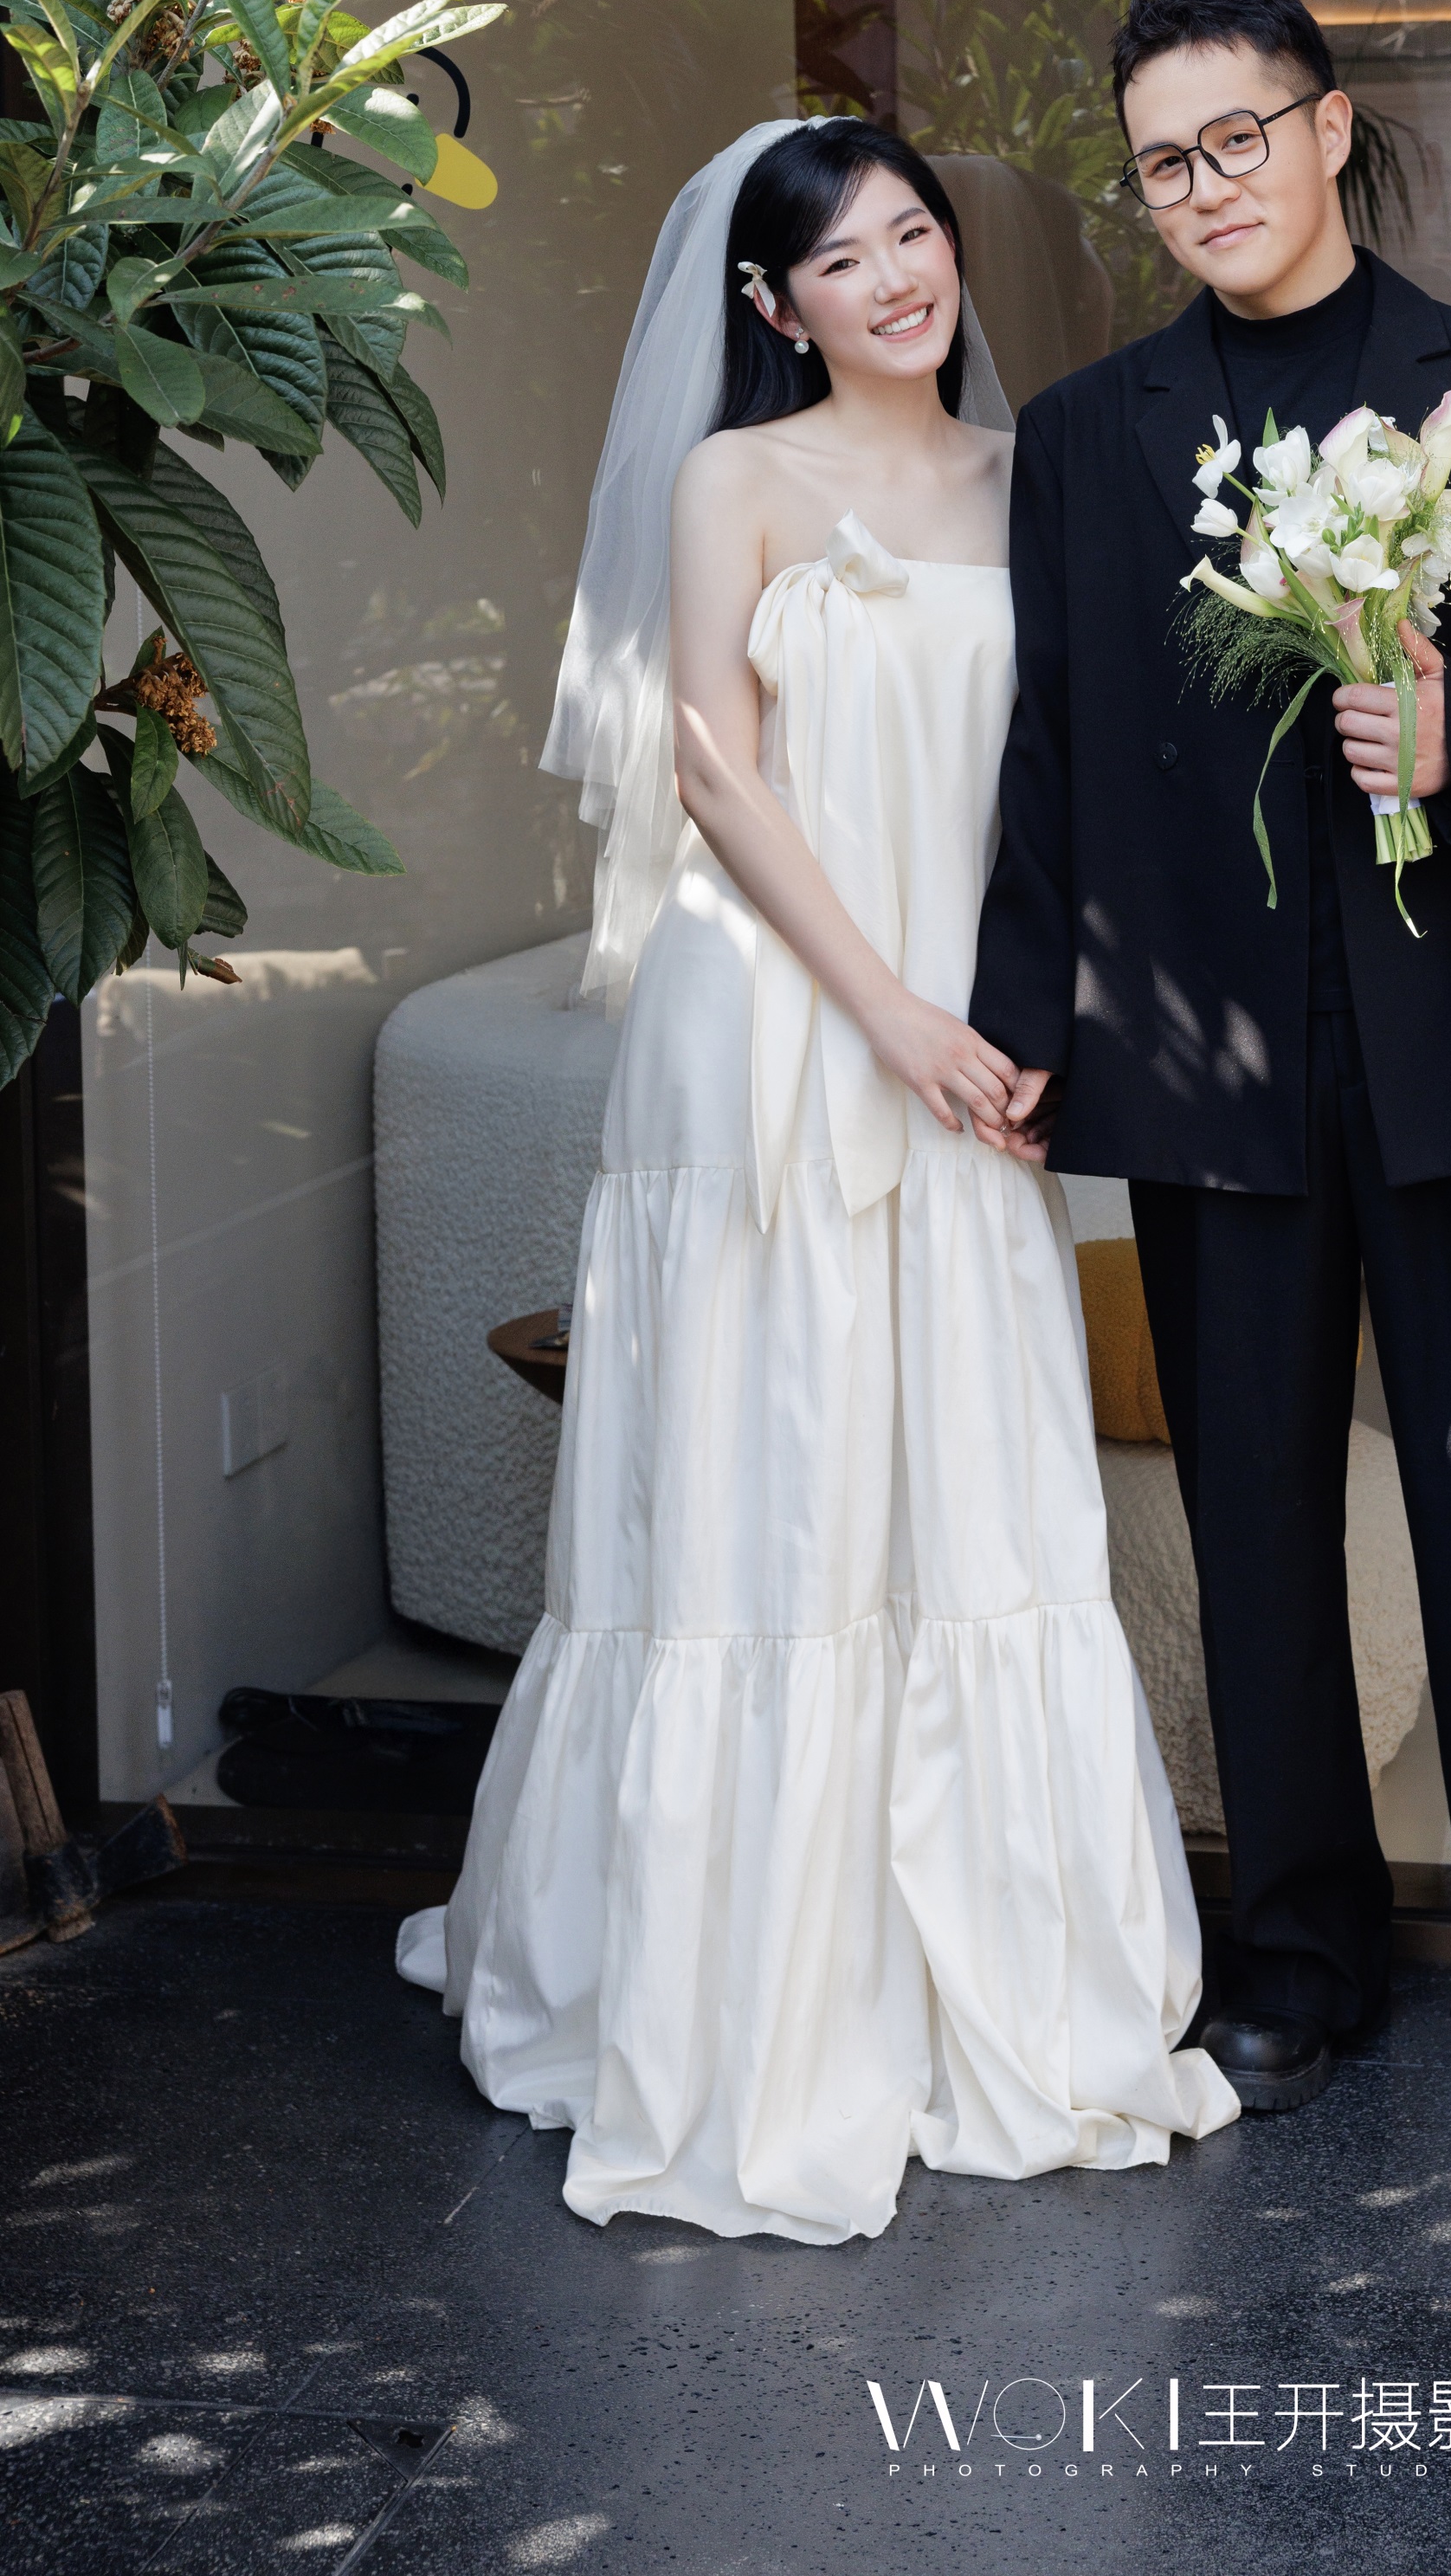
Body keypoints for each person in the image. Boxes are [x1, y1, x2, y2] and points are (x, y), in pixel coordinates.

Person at [397, 116, 1237, 2241]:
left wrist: (1033, 1016)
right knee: (767, 1490)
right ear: (772, 306)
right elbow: (713, 769)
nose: (895, 277)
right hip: (784, 1021)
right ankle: (744, 2010)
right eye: (842, 257)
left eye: (913, 234)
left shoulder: (1039, 477)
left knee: (968, 1482)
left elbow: (1089, 779)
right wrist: (890, 1017)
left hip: (978, 1030)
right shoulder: (735, 481)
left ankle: (987, 1987)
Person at [971, 0, 1451, 2131]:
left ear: (1329, 126)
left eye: (1237, 139)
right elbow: (1053, 747)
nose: (1205, 189)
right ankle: (1293, 1956)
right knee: (1255, 1523)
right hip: (1208, 1058)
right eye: (1161, 164)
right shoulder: (1087, 438)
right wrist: (1024, 1024)